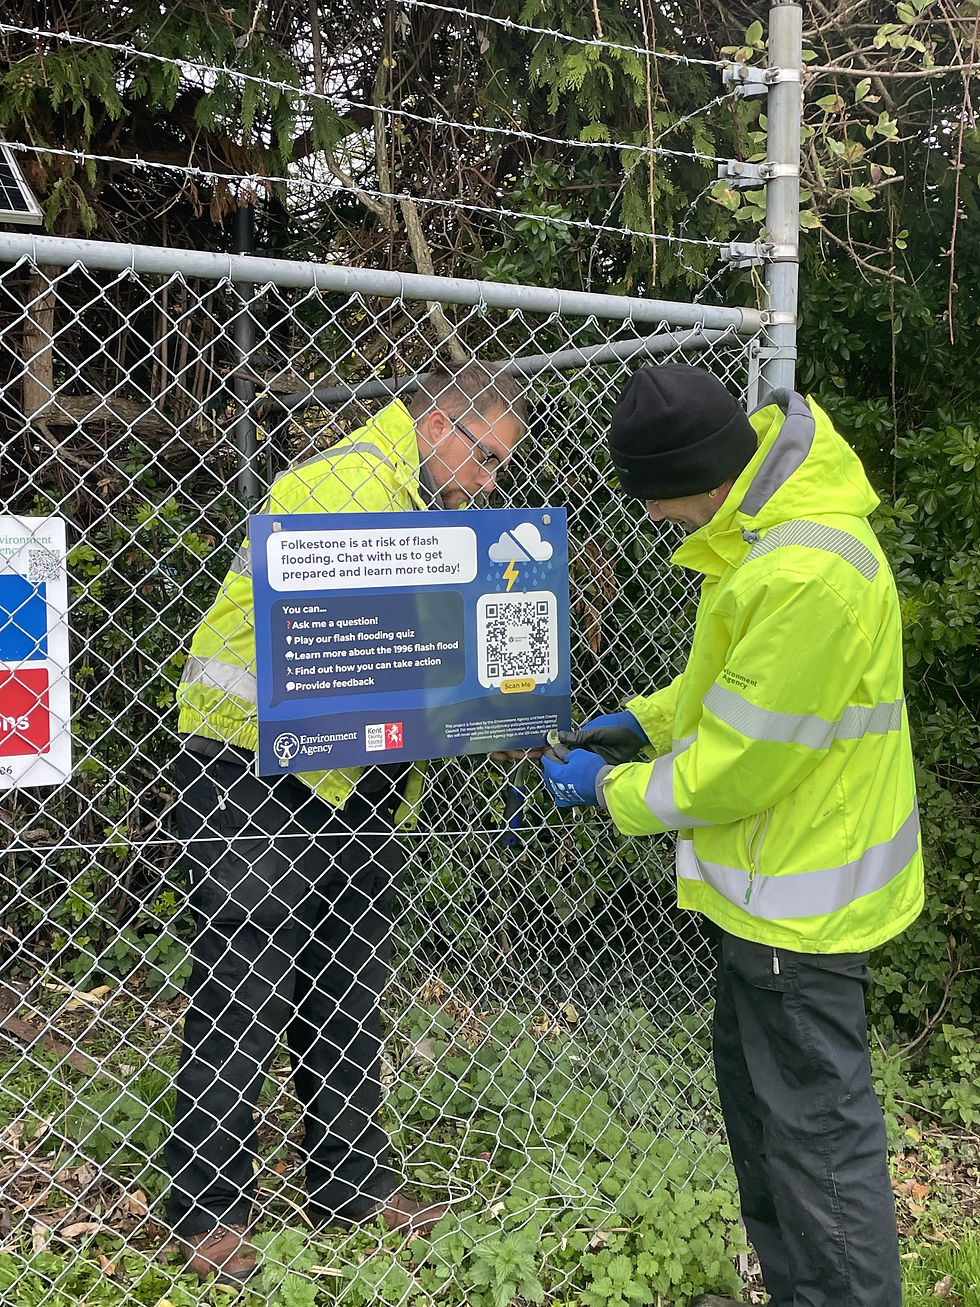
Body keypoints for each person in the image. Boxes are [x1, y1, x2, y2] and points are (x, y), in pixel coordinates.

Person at [540, 364, 923, 1307]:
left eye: (652, 500)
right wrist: (645, 718)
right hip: (768, 898)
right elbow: (737, 692)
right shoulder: (761, 533)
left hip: (802, 908)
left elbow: (743, 764)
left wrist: (612, 790)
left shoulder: (803, 571)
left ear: (694, 478)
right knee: (768, 1126)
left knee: (819, 1147)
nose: (653, 519)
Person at [168, 360, 526, 1282]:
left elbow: (421, 647)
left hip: (354, 773)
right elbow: (351, 635)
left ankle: (350, 1183)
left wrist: (491, 703)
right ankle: (208, 1210)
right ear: (437, 424)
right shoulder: (349, 482)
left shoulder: (423, 507)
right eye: (484, 460)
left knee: (346, 972)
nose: (491, 485)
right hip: (254, 759)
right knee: (243, 981)